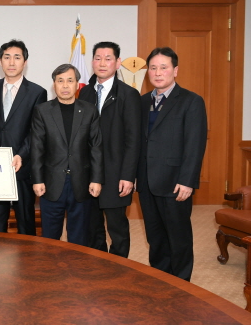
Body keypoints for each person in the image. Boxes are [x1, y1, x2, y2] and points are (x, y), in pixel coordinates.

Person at [137, 47, 207, 281]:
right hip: (147, 182)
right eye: (153, 68)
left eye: (163, 67)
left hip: (175, 183)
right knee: (155, 237)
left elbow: (195, 144)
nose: (158, 73)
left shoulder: (191, 101)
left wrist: (188, 181)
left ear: (175, 70)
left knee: (178, 238)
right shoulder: (142, 101)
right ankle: (161, 282)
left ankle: (182, 286)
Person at [79, 41, 141, 257]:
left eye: (108, 58)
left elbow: (133, 140)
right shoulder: (85, 93)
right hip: (89, 173)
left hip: (116, 174)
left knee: (117, 228)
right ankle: (98, 266)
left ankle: (119, 268)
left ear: (118, 62)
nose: (102, 63)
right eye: (98, 58)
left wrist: (128, 176)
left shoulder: (128, 95)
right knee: (92, 227)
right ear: (92, 61)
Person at [30, 63, 103, 245]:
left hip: (81, 183)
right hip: (51, 183)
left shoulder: (89, 110)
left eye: (70, 81)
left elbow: (96, 147)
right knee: (50, 238)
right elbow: (37, 147)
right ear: (54, 84)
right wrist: (37, 180)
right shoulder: (42, 111)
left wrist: (96, 179)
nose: (65, 85)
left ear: (77, 84)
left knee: (79, 238)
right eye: (60, 81)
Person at [0, 39, 47, 235]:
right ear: (0, 61)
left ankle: (28, 256)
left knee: (26, 221)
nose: (11, 62)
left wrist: (21, 154)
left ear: (25, 62)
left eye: (17, 57)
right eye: (7, 57)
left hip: (23, 166)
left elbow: (36, 131)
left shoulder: (37, 92)